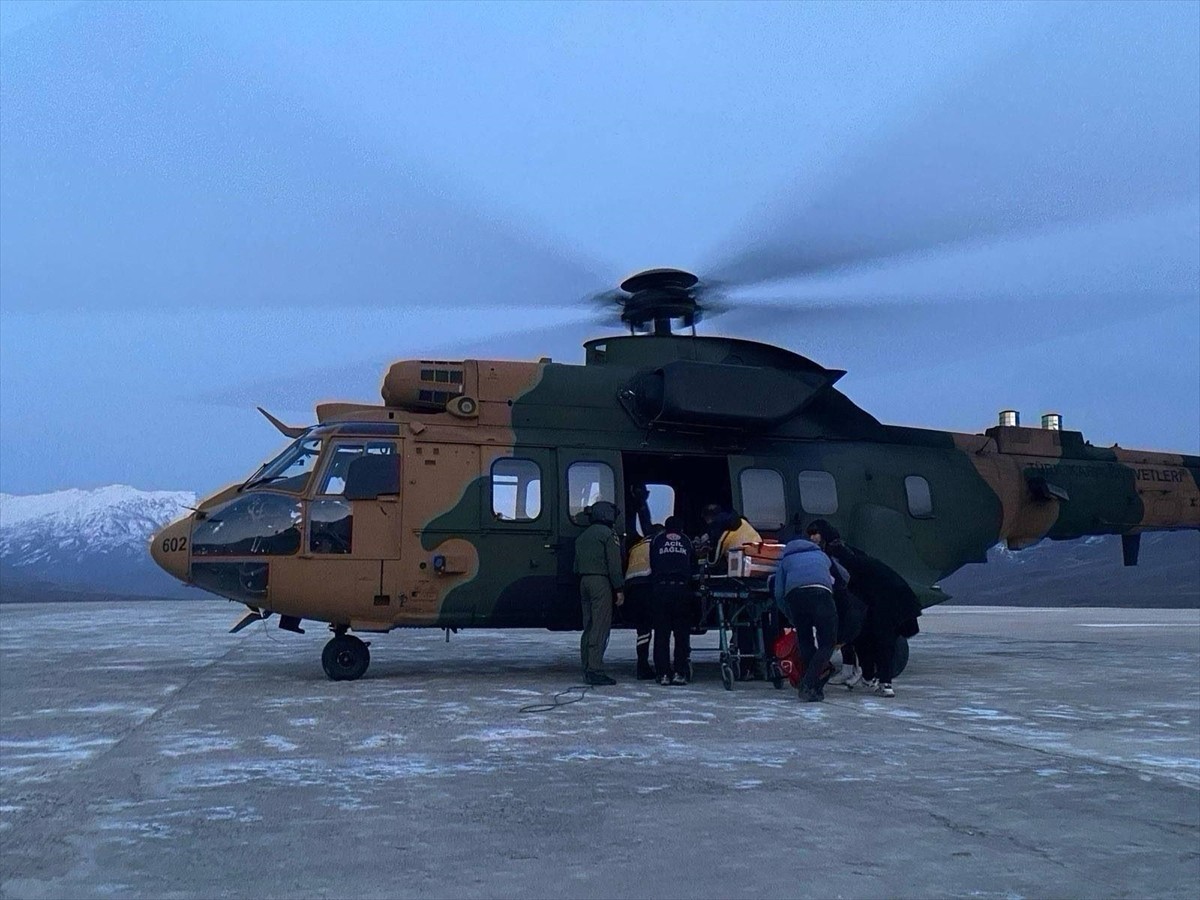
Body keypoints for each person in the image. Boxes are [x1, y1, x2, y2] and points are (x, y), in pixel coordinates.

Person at [811, 521, 923, 699]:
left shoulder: (838, 558)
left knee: (878, 639)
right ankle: (875, 679)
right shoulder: (846, 552)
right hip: (887, 599)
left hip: (885, 601)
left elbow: (844, 583)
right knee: (874, 639)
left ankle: (879, 680)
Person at [772, 536, 839, 702]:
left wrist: (789, 614)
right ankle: (809, 683)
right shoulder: (822, 556)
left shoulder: (786, 561)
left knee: (806, 641)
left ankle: (811, 683)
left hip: (796, 597)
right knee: (827, 643)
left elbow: (779, 593)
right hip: (821, 594)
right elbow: (840, 578)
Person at [805, 519, 866, 688]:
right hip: (840, 594)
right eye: (810, 534)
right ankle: (848, 669)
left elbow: (845, 574)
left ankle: (860, 670)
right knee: (844, 632)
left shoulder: (835, 550)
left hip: (850, 594)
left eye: (815, 533)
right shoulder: (828, 549)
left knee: (852, 633)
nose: (812, 537)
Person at [573, 501, 624, 686]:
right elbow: (614, 565)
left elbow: (576, 565)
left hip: (584, 580)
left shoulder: (583, 536)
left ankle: (587, 665)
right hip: (600, 582)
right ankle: (595, 669)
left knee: (589, 625)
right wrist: (618, 588)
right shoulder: (608, 535)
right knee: (600, 626)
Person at [649, 516, 696, 686]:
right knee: (681, 634)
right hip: (682, 590)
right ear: (681, 529)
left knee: (662, 634)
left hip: (661, 590)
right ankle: (680, 672)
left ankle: (663, 674)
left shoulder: (657, 540)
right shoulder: (686, 541)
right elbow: (693, 564)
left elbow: (652, 563)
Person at [623, 523, 661, 680]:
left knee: (643, 630)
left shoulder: (636, 547)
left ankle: (642, 663)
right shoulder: (657, 544)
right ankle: (656, 666)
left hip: (632, 590)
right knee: (660, 626)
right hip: (647, 588)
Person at [700, 504, 762, 574]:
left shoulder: (718, 528)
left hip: (741, 567)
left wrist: (707, 547)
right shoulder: (742, 520)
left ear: (709, 518)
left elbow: (714, 561)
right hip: (759, 561)